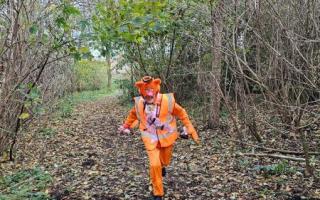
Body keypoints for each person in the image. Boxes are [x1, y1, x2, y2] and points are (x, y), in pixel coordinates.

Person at [118, 76, 199, 200]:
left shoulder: (168, 101)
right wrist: (125, 125)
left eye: (151, 96)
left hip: (167, 138)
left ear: (156, 91)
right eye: (146, 97)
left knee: (164, 161)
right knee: (154, 165)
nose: (148, 98)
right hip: (150, 139)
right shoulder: (140, 103)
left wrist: (189, 126)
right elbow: (133, 115)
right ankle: (158, 193)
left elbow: (181, 112)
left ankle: (162, 167)